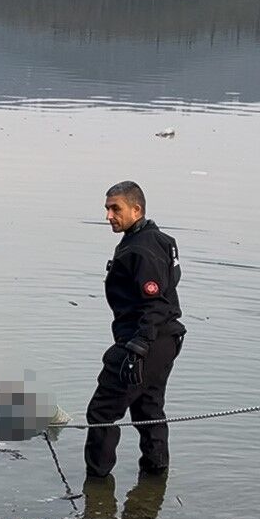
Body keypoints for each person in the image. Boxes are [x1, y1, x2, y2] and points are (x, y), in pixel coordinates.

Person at [85, 181, 185, 477]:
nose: (108, 216)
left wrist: (138, 348)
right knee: (147, 410)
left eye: (115, 208)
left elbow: (156, 302)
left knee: (102, 413)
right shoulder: (156, 239)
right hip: (164, 339)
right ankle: (154, 482)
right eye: (106, 208)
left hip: (145, 340)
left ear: (136, 208)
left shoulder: (143, 249)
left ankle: (96, 487)